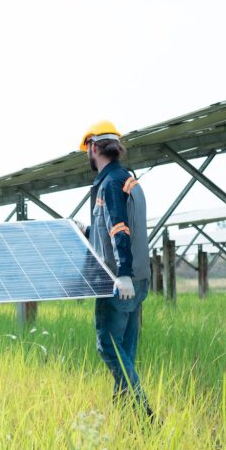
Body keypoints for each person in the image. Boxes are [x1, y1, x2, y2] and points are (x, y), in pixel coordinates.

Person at [77, 120, 156, 420]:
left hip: (119, 281)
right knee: (126, 352)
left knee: (108, 347)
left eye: (87, 149)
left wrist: (121, 274)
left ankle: (145, 414)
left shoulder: (109, 184)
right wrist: (85, 230)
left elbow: (119, 230)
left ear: (94, 147)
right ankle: (128, 417)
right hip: (138, 279)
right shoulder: (127, 180)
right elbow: (111, 226)